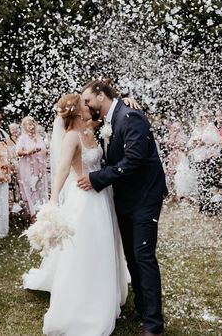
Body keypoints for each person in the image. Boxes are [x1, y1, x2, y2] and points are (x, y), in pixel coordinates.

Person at [23, 93, 129, 336]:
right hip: (83, 200)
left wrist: (126, 100)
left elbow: (111, 113)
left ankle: (104, 292)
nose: (89, 104)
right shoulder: (71, 137)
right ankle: (83, 303)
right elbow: (61, 169)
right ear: (77, 110)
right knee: (85, 249)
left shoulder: (91, 130)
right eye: (84, 102)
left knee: (104, 246)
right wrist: (52, 201)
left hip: (102, 197)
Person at [78, 79, 168, 336]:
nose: (86, 105)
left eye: (87, 99)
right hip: (125, 198)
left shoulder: (130, 117)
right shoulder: (110, 120)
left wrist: (97, 178)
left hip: (145, 198)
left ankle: (153, 322)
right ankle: (141, 307)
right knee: (131, 254)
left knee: (143, 256)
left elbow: (135, 160)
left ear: (100, 94)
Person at [16, 116, 48, 223]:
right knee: (31, 190)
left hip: (39, 169)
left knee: (40, 190)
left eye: (33, 124)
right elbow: (18, 152)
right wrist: (29, 152)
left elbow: (43, 150)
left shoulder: (39, 137)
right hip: (28, 169)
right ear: (24, 126)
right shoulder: (22, 138)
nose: (31, 126)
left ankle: (41, 214)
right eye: (29, 124)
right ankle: (33, 216)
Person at [0, 111, 11, 238]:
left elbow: (11, 150)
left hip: (3, 171)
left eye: (0, 119)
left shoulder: (2, 134)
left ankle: (2, 230)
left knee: (2, 201)